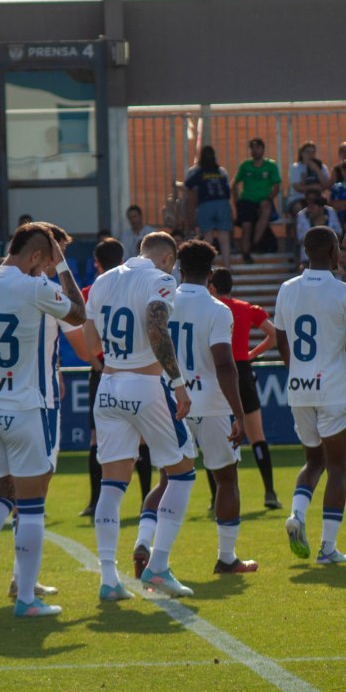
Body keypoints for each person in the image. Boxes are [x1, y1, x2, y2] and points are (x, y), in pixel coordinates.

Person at [0, 223, 86, 617]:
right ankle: (26, 599)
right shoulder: (35, 285)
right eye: (46, 260)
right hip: (27, 409)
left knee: (0, 498)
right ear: (38, 256)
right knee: (33, 503)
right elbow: (79, 314)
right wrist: (63, 268)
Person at [84, 231, 196, 599]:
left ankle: (108, 579)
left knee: (112, 485)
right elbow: (155, 325)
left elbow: (90, 342)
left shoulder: (102, 281)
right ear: (168, 260)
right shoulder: (161, 280)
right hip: (144, 385)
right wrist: (177, 382)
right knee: (182, 472)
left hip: (108, 384)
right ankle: (159, 566)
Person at [133, 240, 255, 574]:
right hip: (212, 405)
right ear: (211, 273)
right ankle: (227, 558)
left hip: (171, 402)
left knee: (166, 479)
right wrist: (239, 415)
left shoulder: (162, 300)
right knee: (226, 480)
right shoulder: (218, 309)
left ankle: (144, 540)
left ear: (178, 269)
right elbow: (225, 366)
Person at [276, 226, 346, 563]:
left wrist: (296, 369)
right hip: (333, 390)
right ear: (333, 252)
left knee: (313, 461)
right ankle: (328, 548)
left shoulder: (286, 289)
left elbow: (282, 339)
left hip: (298, 389)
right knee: (337, 467)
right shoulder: (345, 293)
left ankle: (297, 515)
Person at [209, 267, 279, 508]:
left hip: (217, 371)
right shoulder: (247, 308)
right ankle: (270, 492)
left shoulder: (211, 309)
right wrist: (251, 354)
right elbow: (274, 335)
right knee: (257, 435)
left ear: (212, 288)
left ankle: (215, 497)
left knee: (214, 436)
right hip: (242, 370)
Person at [79, 237, 127, 517]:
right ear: (122, 260)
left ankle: (95, 501)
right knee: (141, 438)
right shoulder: (134, 288)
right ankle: (148, 498)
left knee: (97, 438)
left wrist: (100, 367)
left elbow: (87, 341)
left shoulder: (89, 291)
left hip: (103, 372)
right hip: (133, 370)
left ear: (97, 262)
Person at [184, 146, 234, 268]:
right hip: (222, 204)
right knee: (224, 238)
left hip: (206, 204)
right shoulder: (221, 171)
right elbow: (228, 192)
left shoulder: (198, 171)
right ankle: (227, 267)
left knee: (208, 237)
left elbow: (188, 185)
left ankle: (208, 266)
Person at [233, 138, 282, 262]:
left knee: (265, 209)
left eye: (257, 148)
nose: (254, 151)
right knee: (246, 226)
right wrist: (236, 201)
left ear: (263, 149)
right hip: (247, 201)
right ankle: (246, 252)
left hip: (264, 201)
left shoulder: (271, 165)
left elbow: (277, 186)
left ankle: (254, 244)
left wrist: (269, 198)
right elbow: (234, 183)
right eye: (252, 148)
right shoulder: (245, 165)